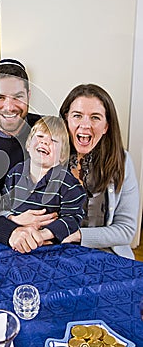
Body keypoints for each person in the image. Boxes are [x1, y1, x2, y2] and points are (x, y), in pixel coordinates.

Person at [9, 84, 139, 258]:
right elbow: (14, 120)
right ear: (65, 120)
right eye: (77, 116)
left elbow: (126, 230)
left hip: (104, 254)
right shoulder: (46, 152)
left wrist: (75, 235)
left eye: (95, 117)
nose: (85, 125)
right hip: (51, 251)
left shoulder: (121, 161)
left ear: (106, 126)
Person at [0, 116, 86, 244]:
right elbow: (3, 204)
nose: (44, 142)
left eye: (53, 140)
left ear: (62, 155)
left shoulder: (69, 184)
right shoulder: (16, 173)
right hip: (17, 240)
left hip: (48, 245)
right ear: (28, 145)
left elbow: (72, 219)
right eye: (40, 136)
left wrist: (43, 235)